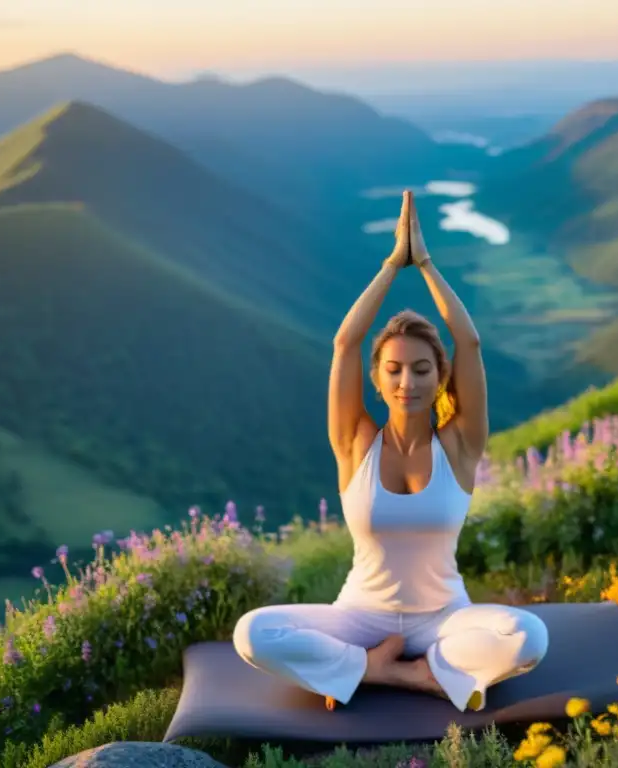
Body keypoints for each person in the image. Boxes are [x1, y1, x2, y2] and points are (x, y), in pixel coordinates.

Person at [233, 190, 549, 713]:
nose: (408, 381)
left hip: (444, 617)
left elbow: (468, 343)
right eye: (395, 369)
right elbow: (343, 344)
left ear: (439, 376)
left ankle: (399, 670)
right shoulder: (355, 444)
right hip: (359, 617)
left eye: (422, 369)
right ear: (376, 380)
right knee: (253, 632)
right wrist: (390, 263)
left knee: (528, 637)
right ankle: (390, 672)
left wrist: (423, 261)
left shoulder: (460, 444)